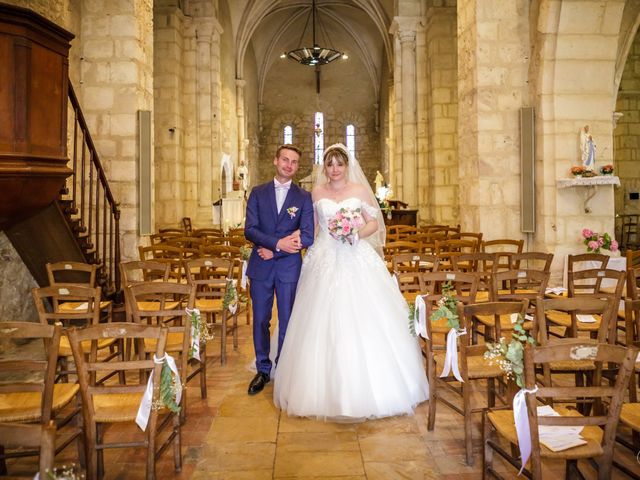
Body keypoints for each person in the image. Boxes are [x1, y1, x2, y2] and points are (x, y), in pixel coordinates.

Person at [273, 143, 429, 421]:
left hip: (355, 253)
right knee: (318, 317)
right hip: (324, 256)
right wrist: (299, 244)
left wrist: (356, 233)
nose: (334, 169)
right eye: (330, 164)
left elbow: (373, 223)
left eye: (339, 164)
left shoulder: (358, 191)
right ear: (325, 167)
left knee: (364, 315)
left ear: (347, 165)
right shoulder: (317, 193)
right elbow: (316, 227)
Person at [244, 144, 314, 395]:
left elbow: (307, 236)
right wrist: (275, 242)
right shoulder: (258, 192)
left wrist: (277, 249)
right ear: (275, 161)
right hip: (260, 267)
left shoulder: (304, 198)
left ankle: (283, 369)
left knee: (287, 320)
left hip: (288, 268)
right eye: (285, 159)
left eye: (294, 162)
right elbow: (249, 230)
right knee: (261, 320)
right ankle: (263, 369)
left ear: (298, 166)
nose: (289, 165)